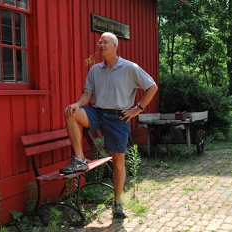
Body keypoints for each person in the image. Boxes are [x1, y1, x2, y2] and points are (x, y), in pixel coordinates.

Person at [59, 32, 158, 218]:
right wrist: (78, 104)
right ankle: (80, 160)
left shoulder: (129, 67)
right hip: (97, 112)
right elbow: (87, 95)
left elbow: (152, 86)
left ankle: (117, 201)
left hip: (118, 117)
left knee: (118, 161)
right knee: (71, 114)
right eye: (100, 42)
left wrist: (137, 108)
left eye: (105, 42)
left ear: (114, 45)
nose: (101, 45)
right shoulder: (95, 70)